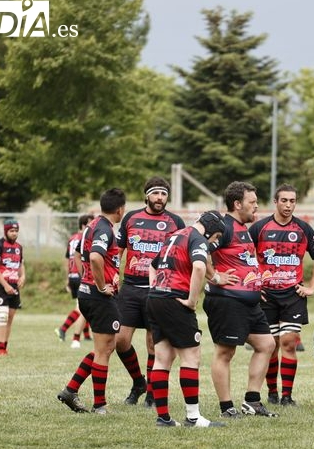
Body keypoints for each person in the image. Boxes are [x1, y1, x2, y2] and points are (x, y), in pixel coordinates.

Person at [146, 211, 227, 427]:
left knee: (162, 358)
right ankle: (193, 417)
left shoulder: (176, 234)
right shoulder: (197, 239)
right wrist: (192, 300)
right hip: (175, 300)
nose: (215, 241)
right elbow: (200, 267)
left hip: (155, 298)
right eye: (216, 236)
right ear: (210, 229)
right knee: (191, 357)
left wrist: (155, 288)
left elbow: (152, 266)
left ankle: (163, 418)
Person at [249, 183, 314, 406]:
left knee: (289, 343)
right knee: (270, 345)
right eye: (284, 200)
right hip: (266, 296)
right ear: (275, 202)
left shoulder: (303, 229)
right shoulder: (259, 228)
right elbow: (244, 256)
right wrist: (254, 284)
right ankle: (272, 392)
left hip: (293, 295)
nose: (288, 205)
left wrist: (312, 287)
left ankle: (287, 396)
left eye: (292, 201)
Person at [205, 181, 278, 419]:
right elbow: (199, 250)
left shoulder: (242, 227)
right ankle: (227, 408)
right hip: (227, 301)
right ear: (237, 204)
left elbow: (243, 261)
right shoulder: (224, 226)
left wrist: (255, 284)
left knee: (266, 345)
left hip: (249, 302)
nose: (256, 207)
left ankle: (252, 402)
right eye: (252, 202)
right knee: (225, 353)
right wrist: (214, 276)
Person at [115, 177, 186, 407]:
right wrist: (113, 273)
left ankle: (152, 393)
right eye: (156, 194)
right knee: (120, 341)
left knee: (153, 343)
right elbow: (118, 250)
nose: (160, 198)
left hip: (159, 289)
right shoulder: (131, 218)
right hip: (131, 287)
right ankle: (138, 382)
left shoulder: (176, 222)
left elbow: (181, 254)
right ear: (147, 195)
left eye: (164, 194)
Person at [57, 188, 126, 414]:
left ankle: (71, 389)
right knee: (105, 350)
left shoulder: (92, 226)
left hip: (86, 294)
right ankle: (100, 404)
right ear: (120, 209)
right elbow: (96, 256)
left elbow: (78, 254)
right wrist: (100, 284)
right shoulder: (105, 229)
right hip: (98, 297)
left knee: (103, 348)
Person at [56, 213, 94, 349]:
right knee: (82, 308)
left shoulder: (72, 238)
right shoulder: (85, 238)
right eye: (90, 224)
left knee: (86, 305)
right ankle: (64, 329)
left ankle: (86, 334)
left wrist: (67, 278)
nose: (92, 226)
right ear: (83, 225)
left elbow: (67, 259)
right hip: (81, 274)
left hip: (72, 276)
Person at [0, 219, 26, 357]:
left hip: (13, 285)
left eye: (16, 231)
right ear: (5, 231)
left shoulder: (19, 247)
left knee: (10, 317)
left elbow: (21, 264)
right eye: (11, 231)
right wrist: (5, 285)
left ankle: (5, 346)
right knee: (2, 316)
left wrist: (22, 277)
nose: (14, 233)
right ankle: (0, 348)